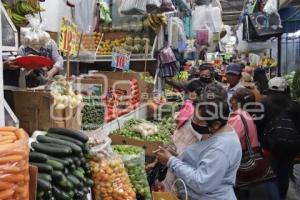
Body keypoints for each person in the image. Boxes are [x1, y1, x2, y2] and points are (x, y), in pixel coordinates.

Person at [156, 83, 242, 200]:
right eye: (193, 118)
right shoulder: (218, 132)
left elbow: (202, 183)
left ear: (216, 124)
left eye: (198, 121)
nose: (193, 123)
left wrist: (171, 161)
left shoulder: (221, 149)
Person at [256, 77, 300, 200]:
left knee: (270, 176)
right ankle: (282, 196)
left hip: (269, 148)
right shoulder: (295, 106)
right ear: (286, 89)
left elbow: (258, 126)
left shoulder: (263, 105)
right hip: (290, 148)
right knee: (285, 175)